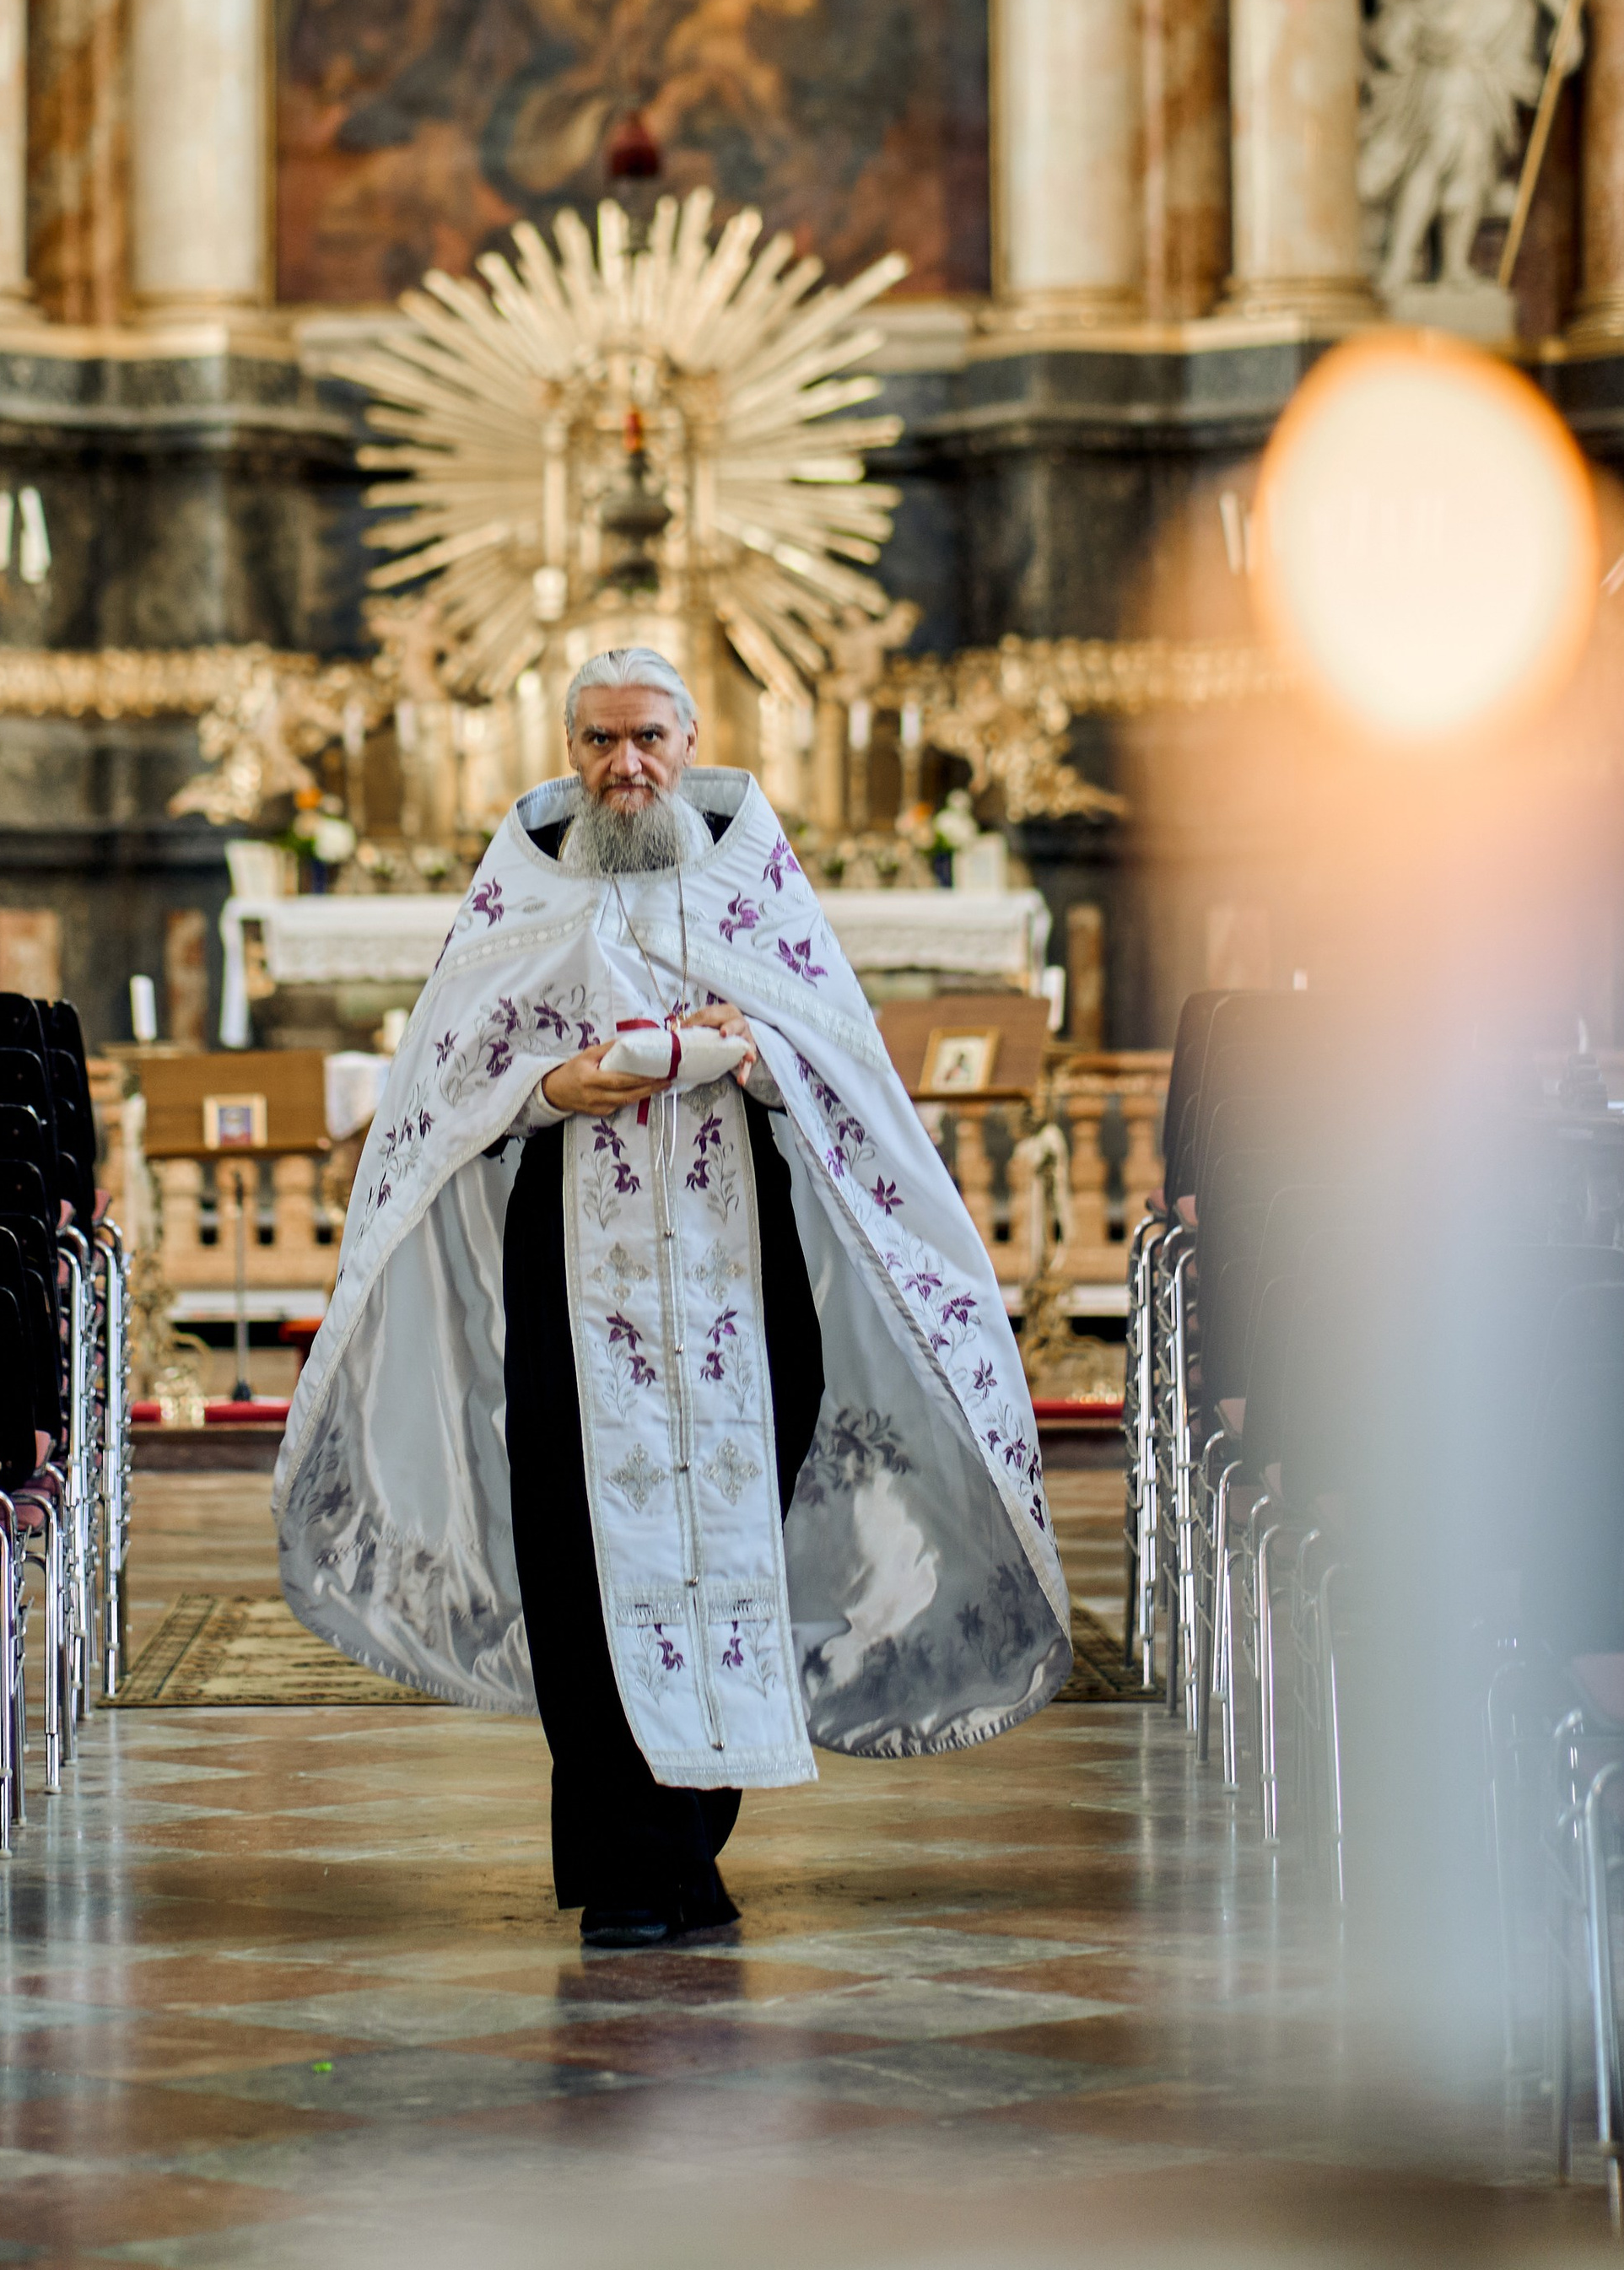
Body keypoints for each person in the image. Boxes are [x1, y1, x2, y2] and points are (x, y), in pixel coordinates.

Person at [272, 646, 1071, 1948]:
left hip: (735, 1255)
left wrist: (752, 1059)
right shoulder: (519, 885)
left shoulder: (754, 877)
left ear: (689, 740)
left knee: (738, 1510)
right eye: (597, 741)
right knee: (579, 1538)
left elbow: (836, 1064)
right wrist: (550, 1090)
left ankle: (686, 1827)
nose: (622, 764)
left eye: (646, 737)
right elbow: (446, 1079)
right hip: (569, 1259)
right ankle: (633, 1858)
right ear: (568, 749)